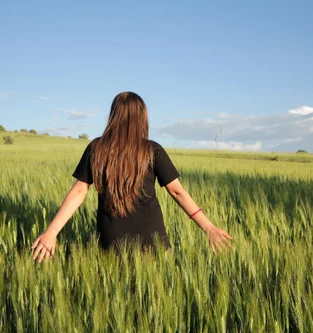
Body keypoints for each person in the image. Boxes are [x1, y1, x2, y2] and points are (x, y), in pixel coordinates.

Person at [31, 92, 233, 263]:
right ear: (142, 118)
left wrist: (52, 231)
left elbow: (79, 191)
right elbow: (177, 191)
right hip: (152, 241)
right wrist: (208, 227)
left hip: (111, 242)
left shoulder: (97, 149)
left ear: (114, 116)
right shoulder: (152, 151)